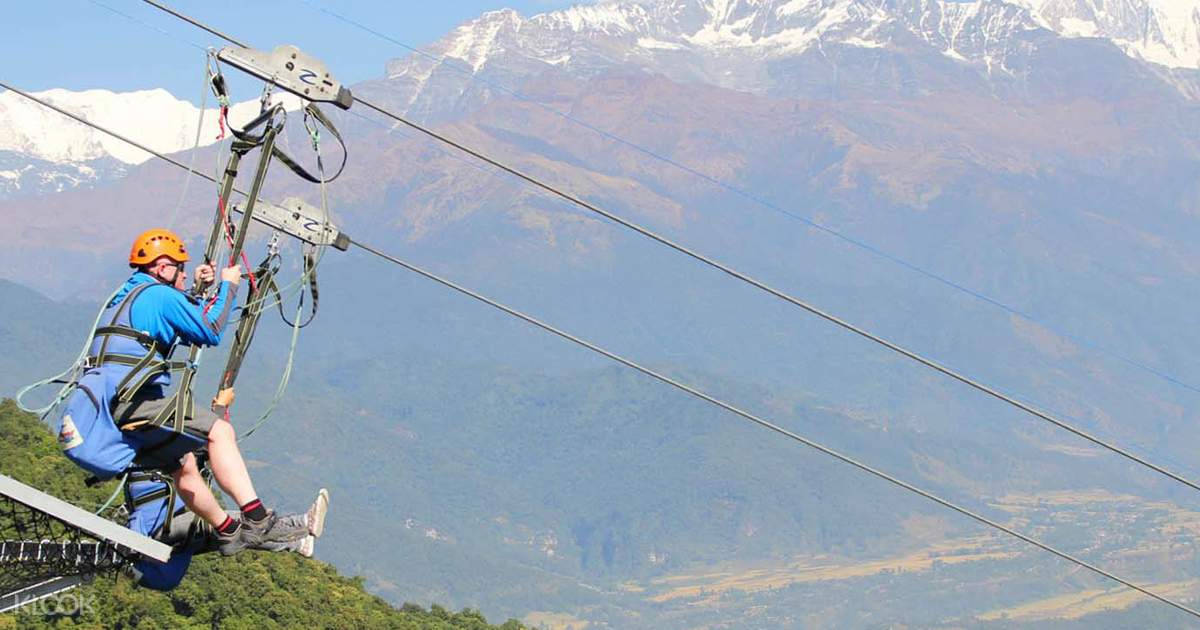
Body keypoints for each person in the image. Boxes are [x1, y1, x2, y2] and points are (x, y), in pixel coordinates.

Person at [58, 228, 321, 556]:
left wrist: (199, 288)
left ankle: (228, 530)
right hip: (135, 400)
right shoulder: (159, 295)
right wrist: (229, 285)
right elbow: (208, 330)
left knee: (182, 464)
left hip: (113, 405)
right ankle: (256, 518)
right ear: (162, 267)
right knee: (220, 433)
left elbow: (178, 322)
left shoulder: (130, 295)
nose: (184, 273)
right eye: (180, 268)